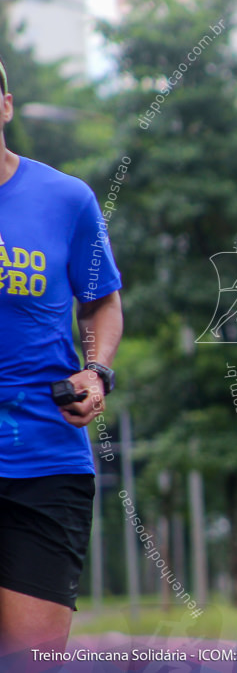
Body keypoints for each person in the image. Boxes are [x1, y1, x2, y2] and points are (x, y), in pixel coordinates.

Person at [0, 56, 123, 663]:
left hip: (44, 458)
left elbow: (100, 303)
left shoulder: (66, 199)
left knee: (28, 659)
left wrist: (95, 371)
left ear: (5, 106)